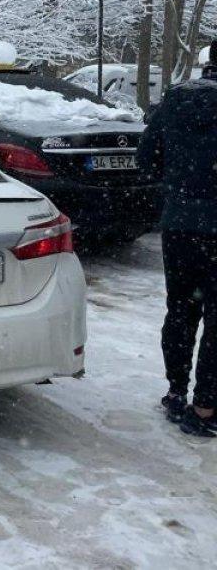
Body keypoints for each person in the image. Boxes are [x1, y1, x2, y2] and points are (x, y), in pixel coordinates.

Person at [136, 41, 217, 438]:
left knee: (181, 310)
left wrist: (179, 185)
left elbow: (146, 158)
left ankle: (175, 392)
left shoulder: (177, 99)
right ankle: (205, 407)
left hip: (180, 225)